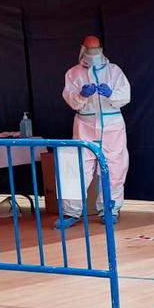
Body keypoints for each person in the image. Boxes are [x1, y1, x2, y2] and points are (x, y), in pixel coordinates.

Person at [56, 36, 131, 229]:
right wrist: (81, 95)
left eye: (97, 50)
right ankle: (71, 212)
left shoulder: (114, 71)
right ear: (83, 50)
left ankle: (109, 209)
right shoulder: (73, 74)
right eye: (90, 51)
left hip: (112, 124)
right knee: (78, 169)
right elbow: (70, 99)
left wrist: (111, 94)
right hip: (85, 125)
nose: (94, 55)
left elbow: (125, 95)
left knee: (114, 168)